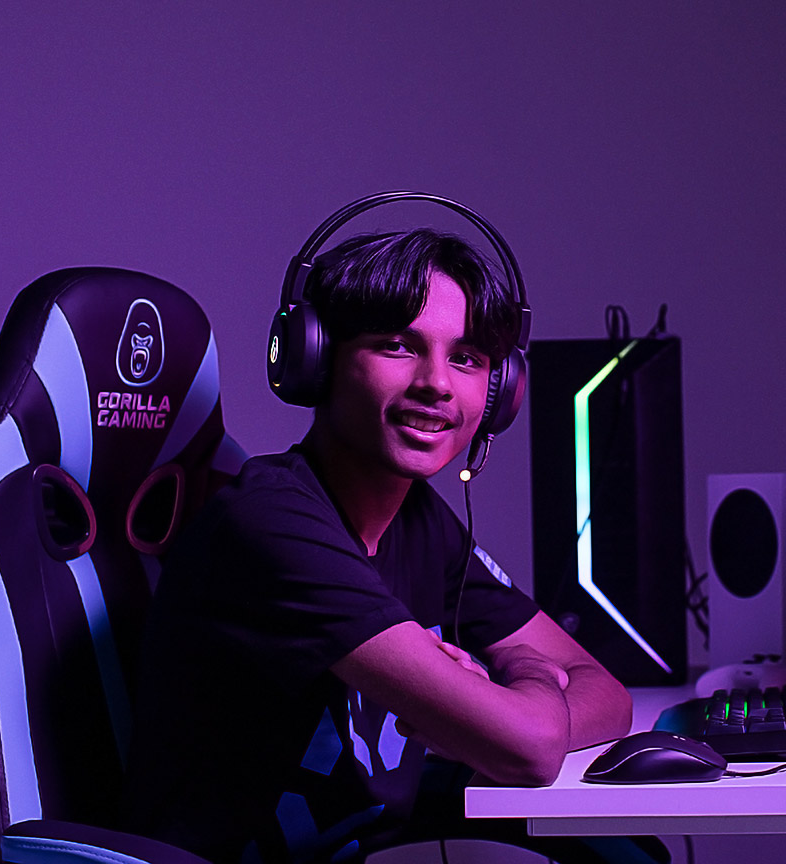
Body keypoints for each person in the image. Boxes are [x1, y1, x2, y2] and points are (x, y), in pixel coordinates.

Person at [121, 229, 653, 864]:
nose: (437, 384)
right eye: (399, 346)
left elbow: (608, 695)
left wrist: (509, 695)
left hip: (369, 850)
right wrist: (527, 687)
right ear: (315, 359)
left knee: (624, 853)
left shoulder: (420, 521)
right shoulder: (270, 524)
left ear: (499, 390)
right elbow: (532, 747)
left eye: (468, 359)